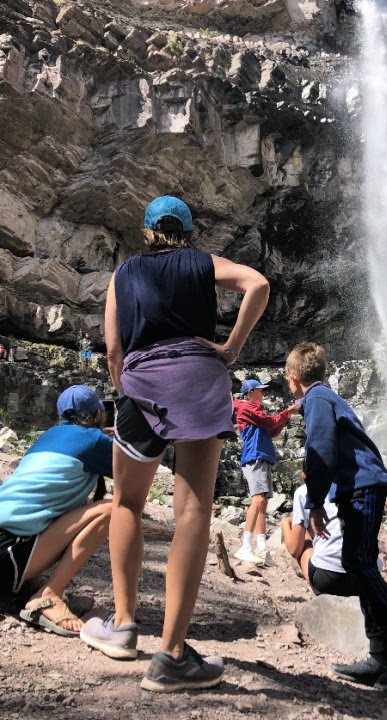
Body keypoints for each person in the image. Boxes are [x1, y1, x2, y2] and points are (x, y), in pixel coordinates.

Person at [81, 195, 270, 693]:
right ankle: (171, 655)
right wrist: (230, 348)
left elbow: (115, 348)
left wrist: (126, 389)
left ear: (148, 232)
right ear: (187, 232)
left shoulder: (123, 275)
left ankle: (122, 627)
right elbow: (258, 284)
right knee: (193, 511)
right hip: (200, 381)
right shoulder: (203, 263)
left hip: (143, 384)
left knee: (126, 502)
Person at [285, 342, 387, 690]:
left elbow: (320, 450)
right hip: (357, 486)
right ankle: (378, 656)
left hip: (364, 485)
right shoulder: (325, 397)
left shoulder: (315, 398)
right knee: (359, 562)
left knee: (359, 562)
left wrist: (315, 501)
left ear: (292, 379)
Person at [0, 386, 113, 636]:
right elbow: (136, 473)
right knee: (112, 510)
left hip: (5, 543)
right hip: (7, 553)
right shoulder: (94, 440)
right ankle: (49, 596)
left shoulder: (47, 437)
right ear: (97, 414)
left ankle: (28, 583)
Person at [233, 378, 297, 565]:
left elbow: (272, 431)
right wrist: (287, 412)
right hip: (255, 456)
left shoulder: (255, 410)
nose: (263, 393)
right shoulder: (246, 408)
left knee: (263, 503)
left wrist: (286, 417)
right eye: (260, 390)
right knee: (258, 499)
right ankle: (246, 546)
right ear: (251, 392)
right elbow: (269, 423)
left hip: (262, 456)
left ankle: (262, 549)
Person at [281, 478, 359, 597]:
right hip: (368, 579)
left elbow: (294, 550)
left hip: (329, 579)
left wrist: (285, 524)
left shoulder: (304, 491)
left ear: (304, 475)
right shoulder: (360, 484)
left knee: (303, 534)